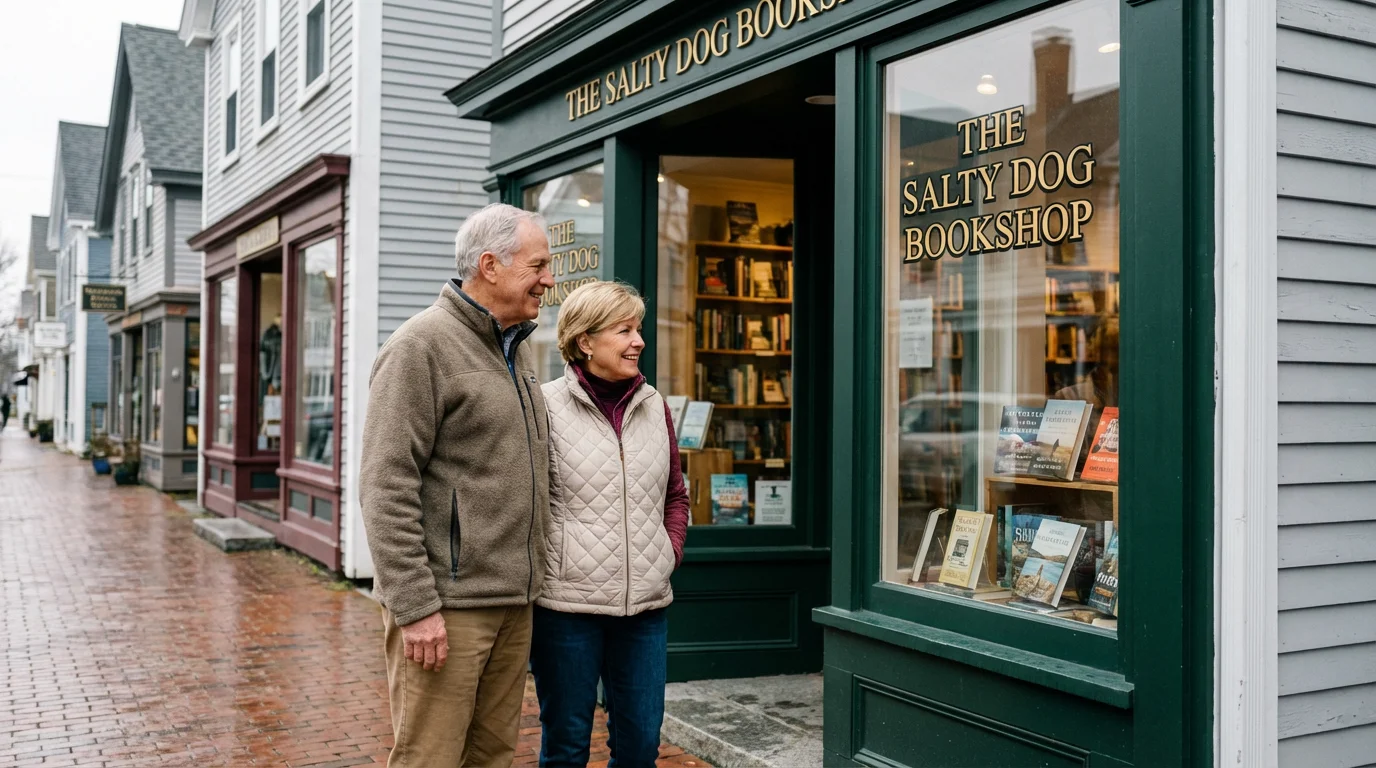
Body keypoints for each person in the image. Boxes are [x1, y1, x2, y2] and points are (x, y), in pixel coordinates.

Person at [359, 202, 556, 767]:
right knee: (431, 758)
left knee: (490, 756)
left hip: (513, 605)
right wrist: (416, 607)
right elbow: (385, 485)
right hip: (446, 609)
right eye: (537, 266)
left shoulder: (513, 352)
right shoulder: (419, 347)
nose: (548, 279)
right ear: (490, 266)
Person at [531, 281, 690, 768]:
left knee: (641, 746)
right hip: (567, 609)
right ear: (585, 341)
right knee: (567, 747)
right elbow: (527, 502)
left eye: (638, 328)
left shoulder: (654, 405)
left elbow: (676, 494)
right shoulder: (544, 405)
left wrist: (668, 553)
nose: (638, 340)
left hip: (644, 608)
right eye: (624, 330)